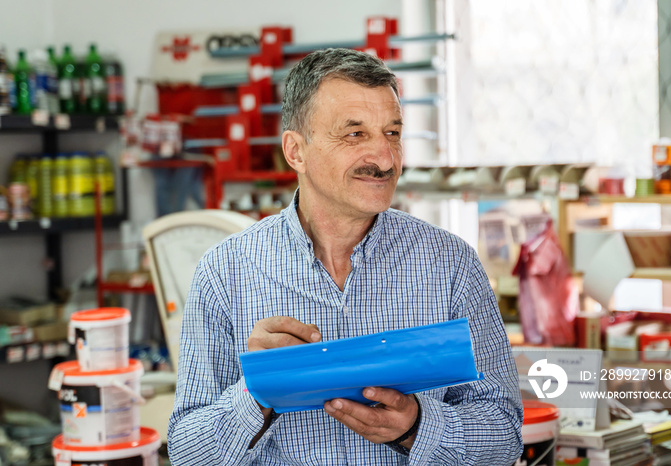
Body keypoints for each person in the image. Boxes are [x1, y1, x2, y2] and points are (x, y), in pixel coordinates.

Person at [168, 48, 523, 465]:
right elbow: (187, 454)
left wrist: (417, 427)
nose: (386, 158)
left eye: (392, 133)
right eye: (355, 134)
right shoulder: (225, 272)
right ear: (296, 151)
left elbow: (505, 433)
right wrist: (255, 392)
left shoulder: (451, 265)